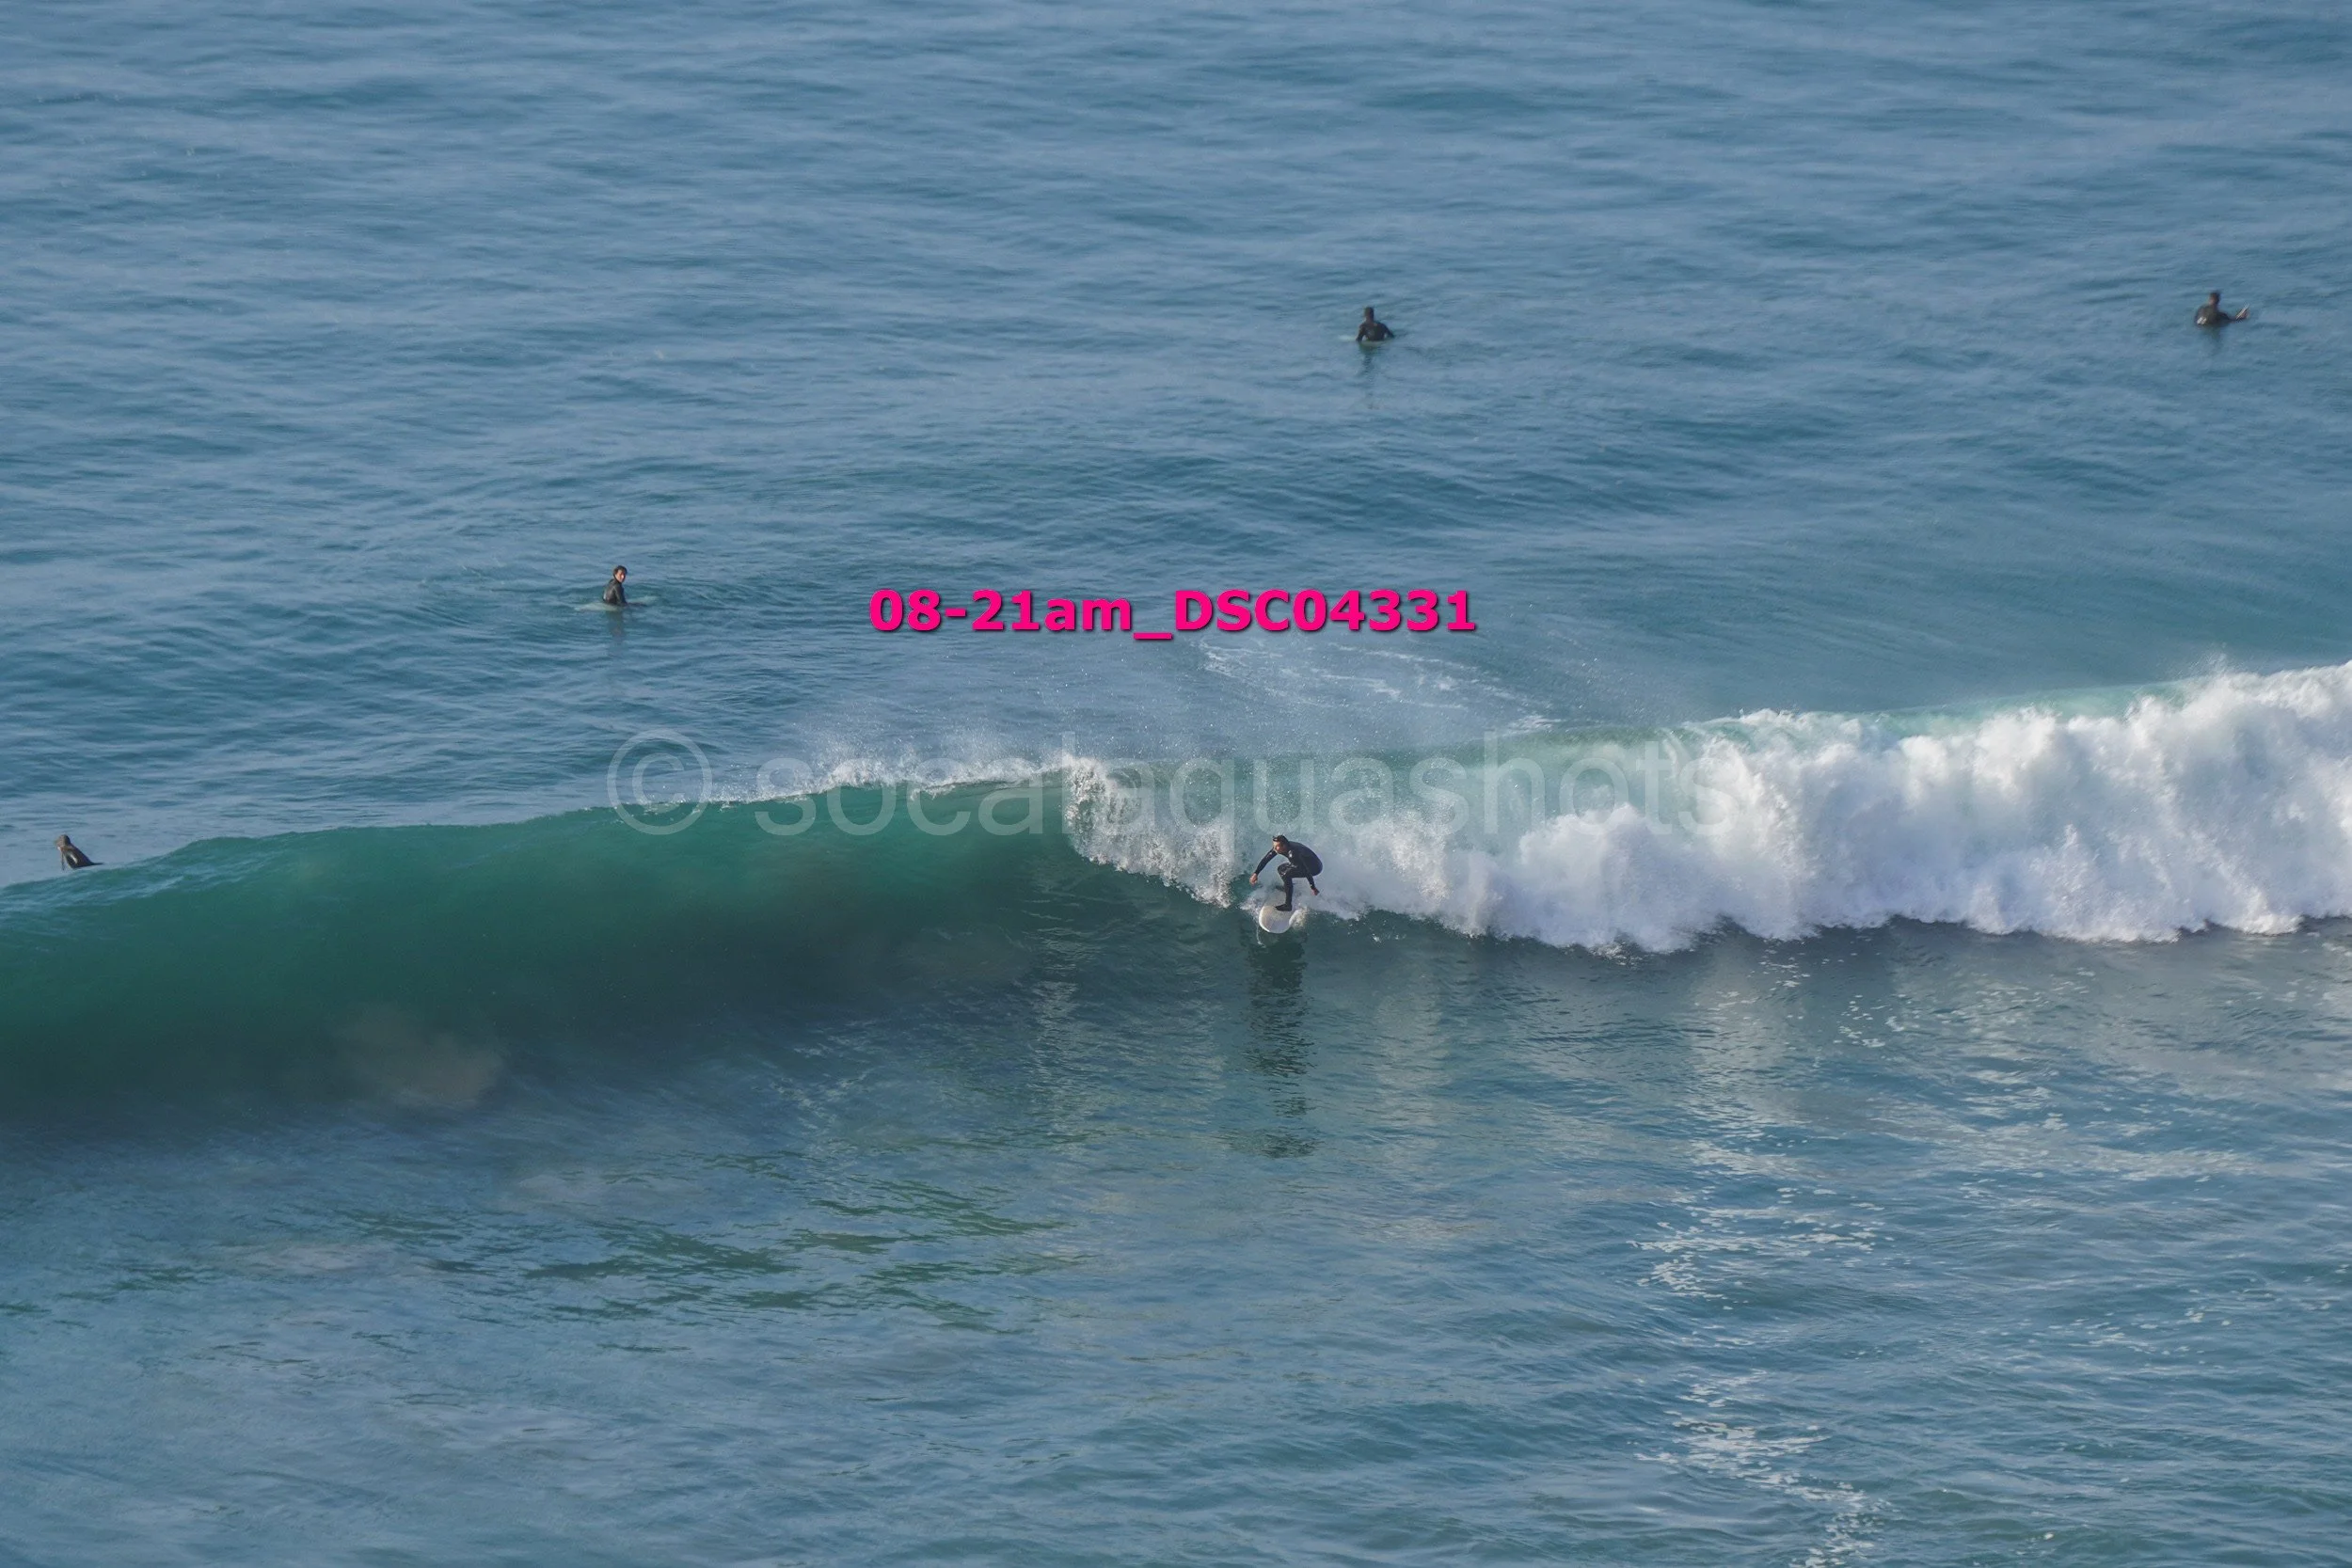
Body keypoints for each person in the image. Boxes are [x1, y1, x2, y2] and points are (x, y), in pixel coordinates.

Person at [1250, 834, 1324, 912]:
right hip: (1306, 862)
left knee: (1286, 874)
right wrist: (1256, 873)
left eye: (1276, 847)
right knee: (1281, 869)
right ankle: (1288, 888)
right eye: (1273, 846)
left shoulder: (1292, 854)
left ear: (1284, 846)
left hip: (1314, 868)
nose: (1274, 848)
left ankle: (1288, 905)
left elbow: (1307, 872)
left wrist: (1313, 887)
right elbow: (1266, 859)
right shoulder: (1281, 847)